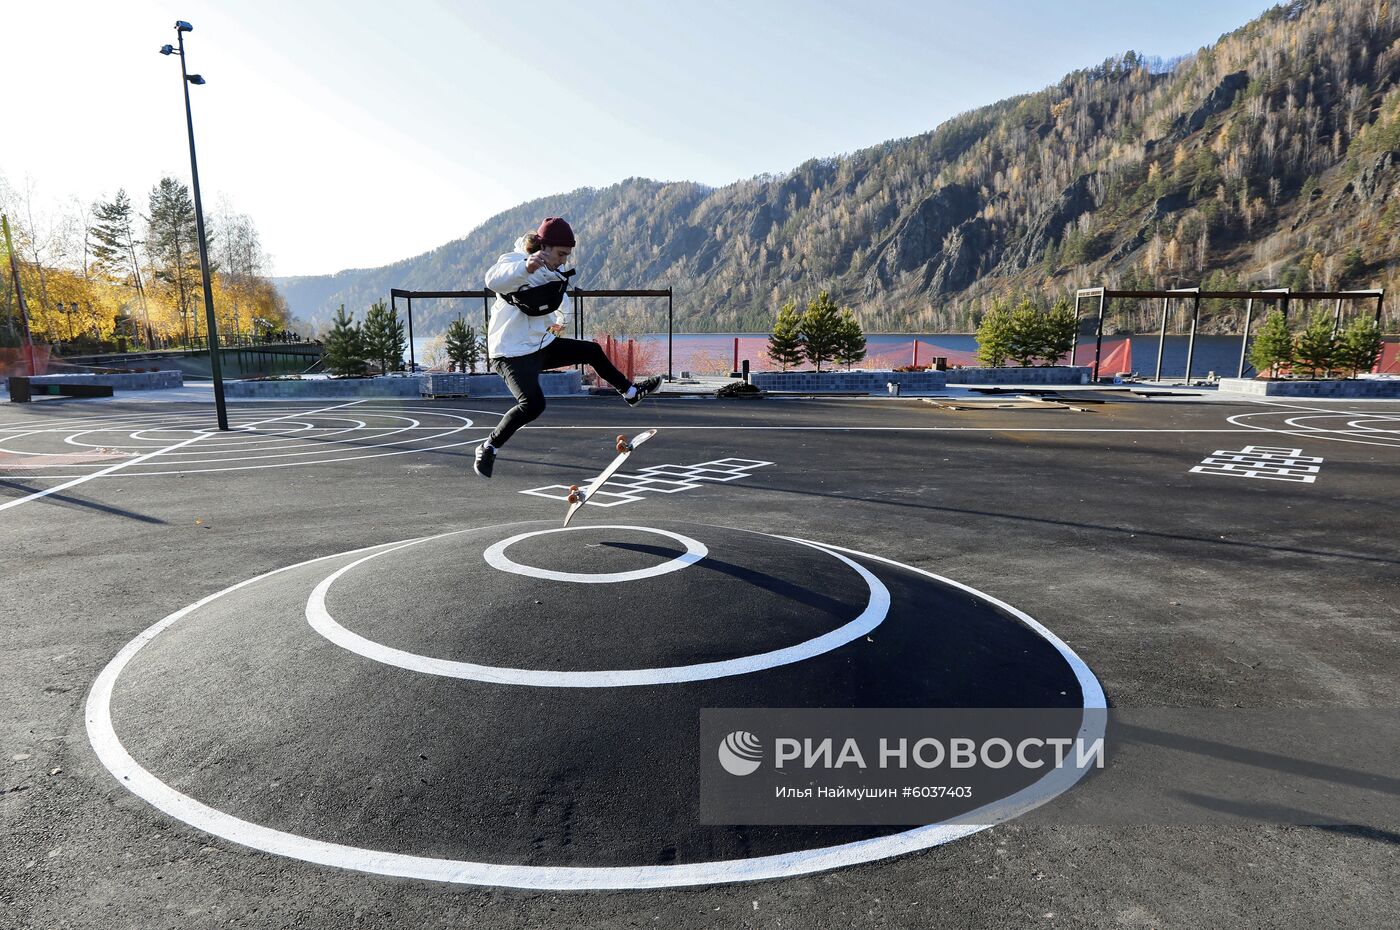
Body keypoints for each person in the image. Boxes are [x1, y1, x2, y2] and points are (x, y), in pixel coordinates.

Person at [473, 217, 661, 478]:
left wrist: (561, 323)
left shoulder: (553, 272)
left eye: (567, 255)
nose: (564, 259)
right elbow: (492, 280)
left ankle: (629, 392)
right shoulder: (514, 261)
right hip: (511, 352)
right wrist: (525, 268)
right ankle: (489, 446)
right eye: (561, 253)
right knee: (533, 405)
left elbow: (561, 300)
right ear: (544, 246)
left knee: (591, 351)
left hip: (541, 345)